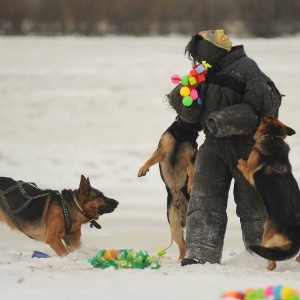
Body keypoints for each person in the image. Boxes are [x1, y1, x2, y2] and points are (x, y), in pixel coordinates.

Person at [166, 29, 283, 266]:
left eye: (200, 52)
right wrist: (184, 95)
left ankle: (260, 257)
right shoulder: (206, 72)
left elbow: (261, 112)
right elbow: (190, 117)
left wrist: (222, 120)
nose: (198, 58)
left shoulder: (248, 69)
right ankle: (200, 255)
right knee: (204, 200)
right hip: (214, 145)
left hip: (247, 146)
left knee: (253, 204)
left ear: (215, 49)